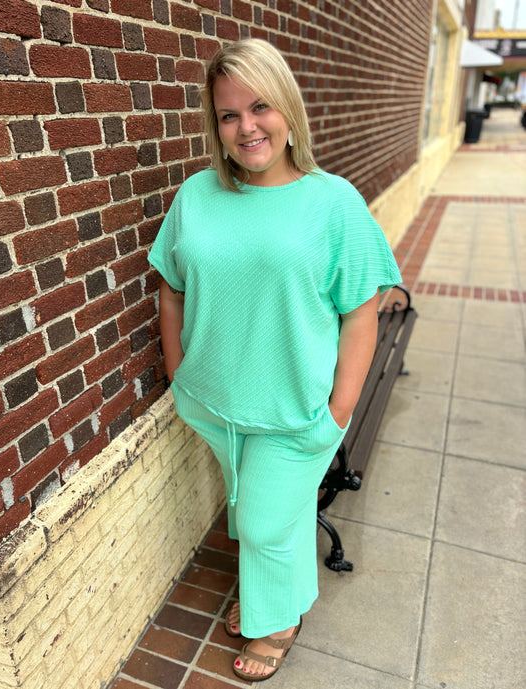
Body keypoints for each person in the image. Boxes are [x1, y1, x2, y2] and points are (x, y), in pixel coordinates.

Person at [148, 38, 402, 682]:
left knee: (260, 519)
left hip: (296, 405)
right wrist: (179, 371)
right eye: (228, 115)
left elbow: (361, 313)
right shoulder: (197, 195)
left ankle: (280, 619)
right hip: (213, 399)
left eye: (259, 107)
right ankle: (271, 591)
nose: (246, 127)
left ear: (288, 108)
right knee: (262, 510)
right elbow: (171, 287)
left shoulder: (333, 202)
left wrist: (339, 408)